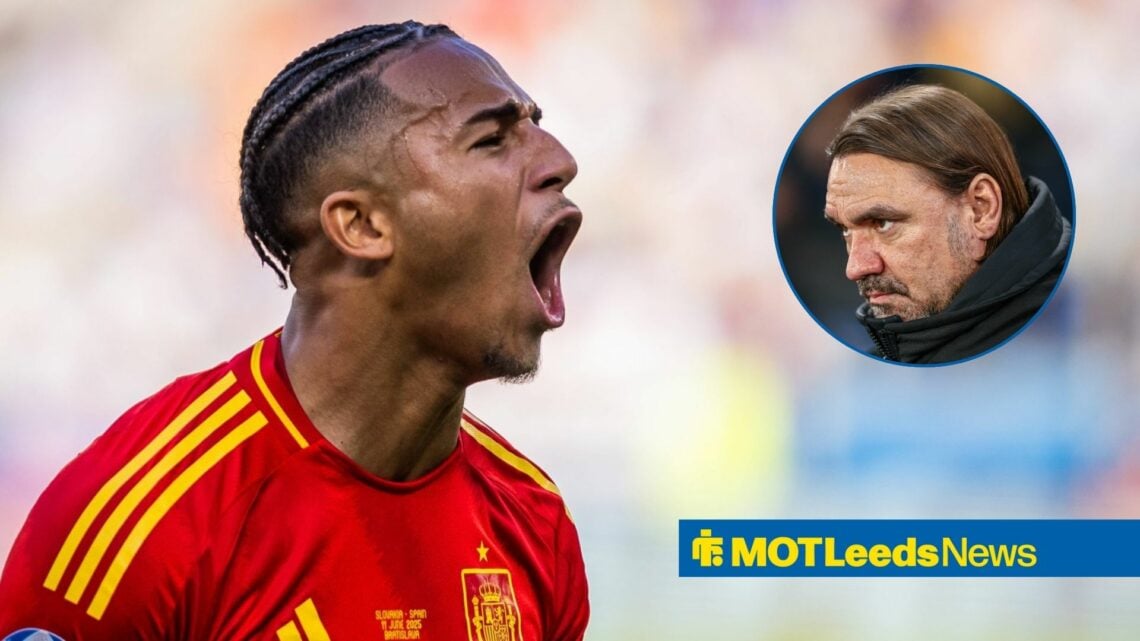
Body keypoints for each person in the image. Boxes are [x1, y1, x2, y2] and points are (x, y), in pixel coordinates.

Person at [0, 21, 588, 640]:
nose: (561, 161)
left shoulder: (532, 520)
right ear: (360, 225)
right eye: (492, 140)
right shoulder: (145, 522)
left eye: (535, 128)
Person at [823, 83, 1071, 364]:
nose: (855, 268)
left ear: (981, 210)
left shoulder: (1075, 346)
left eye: (882, 223)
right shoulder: (876, 371)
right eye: (845, 229)